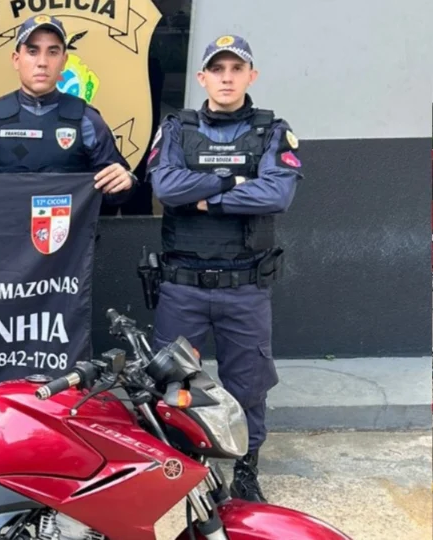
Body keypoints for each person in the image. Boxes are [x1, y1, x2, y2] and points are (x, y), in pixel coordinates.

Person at [146, 35, 303, 503]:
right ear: (202, 78)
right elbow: (167, 187)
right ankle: (179, 463)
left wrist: (206, 197)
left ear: (251, 76)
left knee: (248, 385)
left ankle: (246, 467)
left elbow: (277, 195)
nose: (227, 77)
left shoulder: (272, 130)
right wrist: (236, 179)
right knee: (172, 383)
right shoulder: (176, 128)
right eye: (218, 69)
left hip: (245, 286)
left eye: (237, 68)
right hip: (182, 287)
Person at [0, 15, 135, 204]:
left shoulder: (87, 120)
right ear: (16, 59)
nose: (42, 62)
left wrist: (125, 181)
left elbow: (115, 193)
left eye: (53, 52)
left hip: (68, 232)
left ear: (64, 61)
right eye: (32, 51)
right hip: (2, 231)